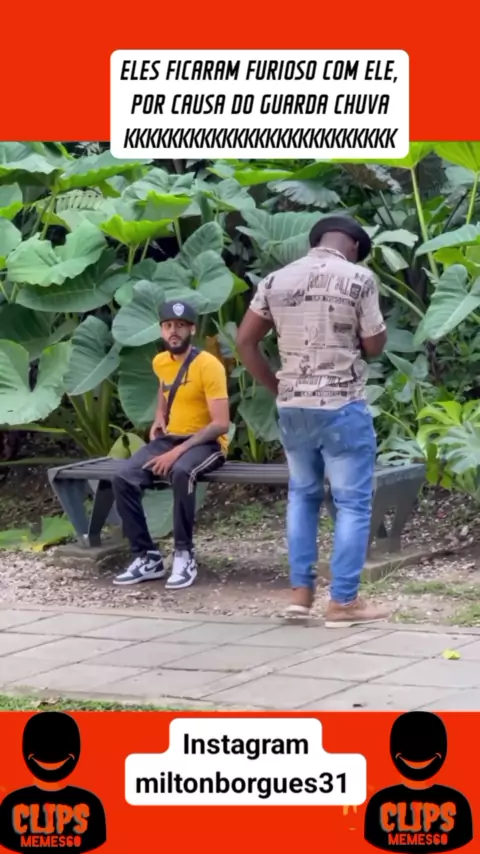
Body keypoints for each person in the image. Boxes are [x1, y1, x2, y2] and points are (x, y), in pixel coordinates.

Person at [236, 215, 390, 626]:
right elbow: (374, 345)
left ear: (316, 240)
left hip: (293, 408)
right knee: (352, 503)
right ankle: (343, 602)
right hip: (341, 406)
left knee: (302, 496)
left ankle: (300, 597)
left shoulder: (275, 280)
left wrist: (278, 387)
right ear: (353, 246)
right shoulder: (359, 278)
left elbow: (245, 341)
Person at [112, 300, 230, 590]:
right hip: (170, 437)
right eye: (167, 326)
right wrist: (159, 416)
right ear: (161, 330)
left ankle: (183, 555)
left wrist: (176, 452)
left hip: (207, 442)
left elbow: (221, 423)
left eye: (180, 326)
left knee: (181, 472)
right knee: (124, 477)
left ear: (192, 329)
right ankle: (146, 557)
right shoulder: (160, 362)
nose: (173, 331)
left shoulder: (209, 365)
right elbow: (164, 387)